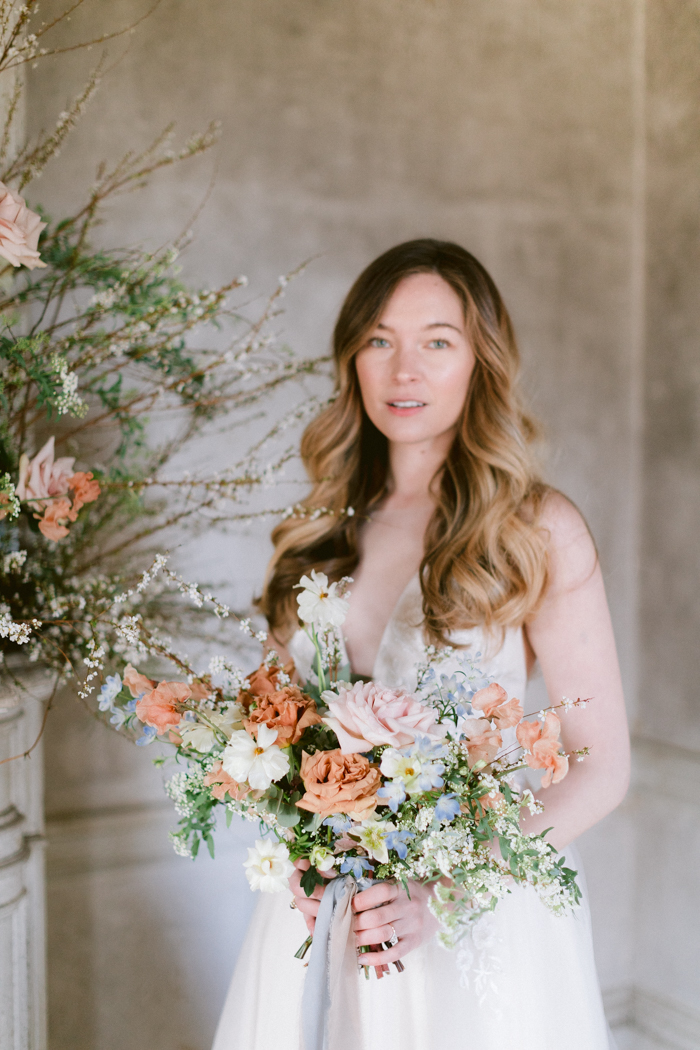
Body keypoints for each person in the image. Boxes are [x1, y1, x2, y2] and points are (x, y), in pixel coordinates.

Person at [212, 239, 630, 1050]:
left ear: (481, 361)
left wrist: (437, 894)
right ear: (353, 360)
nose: (404, 370)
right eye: (379, 339)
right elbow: (270, 738)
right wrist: (300, 858)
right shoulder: (320, 531)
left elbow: (603, 766)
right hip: (322, 919)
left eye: (437, 341)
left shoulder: (534, 529)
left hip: (473, 925)